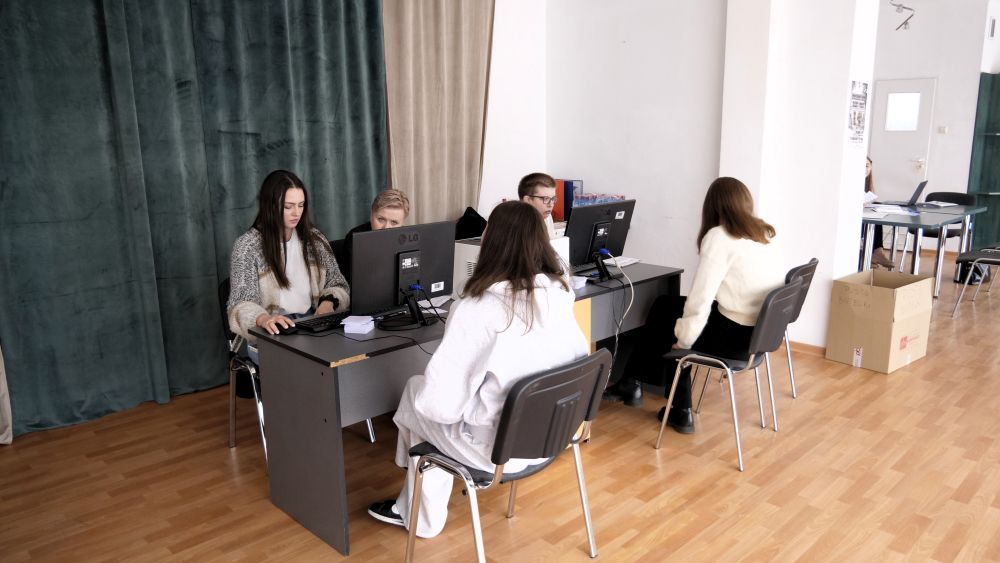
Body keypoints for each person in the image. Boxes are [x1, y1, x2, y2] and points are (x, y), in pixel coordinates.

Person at [367, 201, 588, 538]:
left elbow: (440, 407)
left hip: (497, 451)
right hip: (552, 437)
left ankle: (418, 511)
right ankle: (411, 498)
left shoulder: (477, 309)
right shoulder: (560, 294)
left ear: (491, 241)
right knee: (423, 402)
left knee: (414, 393)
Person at [603, 177, 784, 434]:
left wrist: (684, 341)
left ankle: (678, 409)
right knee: (665, 305)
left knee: (674, 327)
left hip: (736, 338)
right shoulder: (763, 233)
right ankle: (633, 381)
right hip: (760, 334)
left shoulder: (720, 237)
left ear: (712, 206)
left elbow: (701, 298)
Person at [227, 170, 350, 344]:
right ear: (270, 206)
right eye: (288, 206)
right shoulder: (247, 247)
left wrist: (328, 302)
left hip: (313, 324)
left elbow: (337, 283)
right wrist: (264, 319)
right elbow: (240, 302)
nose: (296, 213)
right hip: (272, 333)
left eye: (301, 205)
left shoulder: (315, 239)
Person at [342, 189, 411, 283]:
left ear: (402, 224)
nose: (386, 228)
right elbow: (353, 283)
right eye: (381, 219)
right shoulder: (354, 239)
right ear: (371, 215)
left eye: (394, 222)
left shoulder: (409, 240)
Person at [865, 157, 894, 269]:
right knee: (873, 216)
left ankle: (877, 253)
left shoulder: (866, 183)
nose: (865, 169)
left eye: (867, 166)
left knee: (876, 208)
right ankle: (876, 254)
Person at [518, 172, 559, 238]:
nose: (551, 204)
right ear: (528, 200)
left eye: (553, 198)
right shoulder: (517, 226)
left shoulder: (546, 216)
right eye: (546, 198)